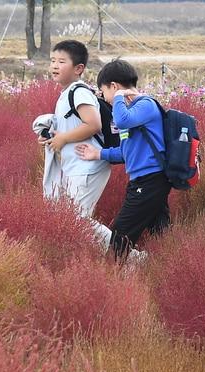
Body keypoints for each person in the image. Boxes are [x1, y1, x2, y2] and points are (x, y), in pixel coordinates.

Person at [74, 59, 167, 262]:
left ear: (114, 86)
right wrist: (98, 154)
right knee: (162, 233)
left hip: (150, 180)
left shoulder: (145, 105)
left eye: (103, 92)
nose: (104, 98)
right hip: (144, 181)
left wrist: (117, 98)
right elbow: (126, 153)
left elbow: (122, 120)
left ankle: (111, 278)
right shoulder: (132, 114)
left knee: (120, 237)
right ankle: (167, 270)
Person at [42, 40, 115, 250]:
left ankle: (127, 255)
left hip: (87, 166)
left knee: (76, 220)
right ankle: (113, 256)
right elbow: (71, 127)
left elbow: (93, 124)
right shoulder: (66, 94)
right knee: (71, 219)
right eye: (53, 61)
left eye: (61, 61)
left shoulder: (79, 92)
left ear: (78, 68)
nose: (55, 65)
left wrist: (63, 139)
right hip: (76, 166)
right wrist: (54, 137)